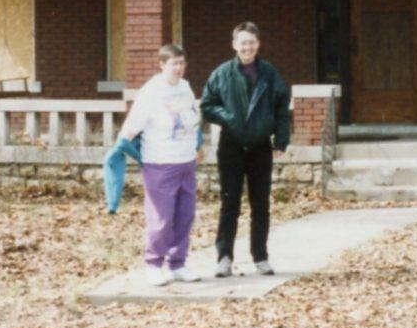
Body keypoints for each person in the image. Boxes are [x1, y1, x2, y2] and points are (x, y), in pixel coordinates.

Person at [200, 21, 291, 278]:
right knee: (230, 203)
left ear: (258, 44)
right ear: (234, 45)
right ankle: (224, 257)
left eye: (251, 42)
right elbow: (207, 105)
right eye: (242, 42)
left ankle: (260, 257)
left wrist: (280, 141)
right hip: (231, 146)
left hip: (261, 146)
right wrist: (228, 117)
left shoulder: (270, 74)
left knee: (260, 204)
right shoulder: (222, 74)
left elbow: (282, 109)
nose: (247, 47)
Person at [119, 44, 202, 286]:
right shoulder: (152, 91)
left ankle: (177, 264)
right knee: (161, 218)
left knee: (185, 215)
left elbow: (192, 118)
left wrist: (197, 145)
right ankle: (153, 264)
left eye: (182, 63)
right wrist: (121, 146)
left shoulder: (185, 87)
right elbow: (132, 126)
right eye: (173, 63)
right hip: (160, 163)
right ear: (162, 65)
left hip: (185, 161)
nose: (179, 68)